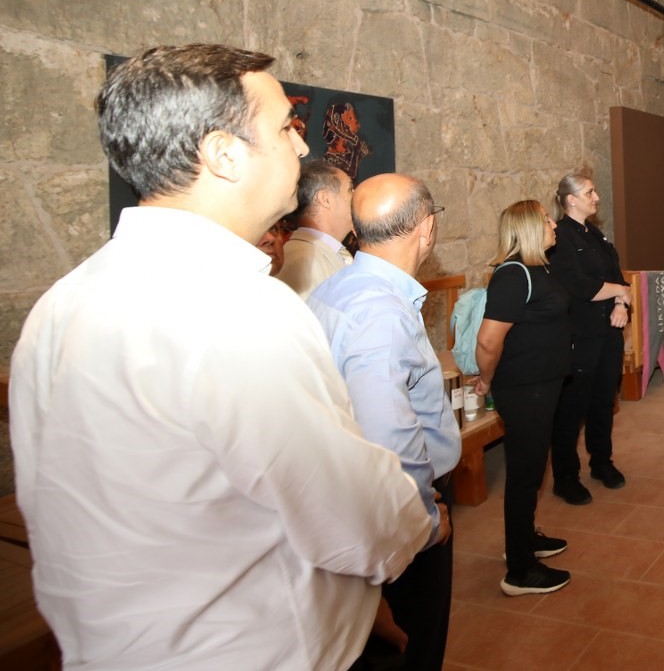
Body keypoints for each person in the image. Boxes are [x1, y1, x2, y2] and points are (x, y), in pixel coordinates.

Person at [8, 44, 430, 669]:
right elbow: (354, 516)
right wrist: (414, 529)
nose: (302, 147)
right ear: (223, 154)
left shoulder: (61, 303)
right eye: (285, 127)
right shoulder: (237, 308)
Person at [309, 174, 461, 670]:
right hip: (398, 518)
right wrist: (425, 520)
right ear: (427, 228)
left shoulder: (336, 288)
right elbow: (390, 440)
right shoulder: (381, 312)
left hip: (348, 499)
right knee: (415, 646)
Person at [473, 200, 572, 596]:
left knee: (532, 469)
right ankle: (520, 570)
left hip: (542, 385)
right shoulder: (513, 275)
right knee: (524, 474)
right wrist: (486, 380)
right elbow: (488, 340)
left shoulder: (537, 268)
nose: (554, 225)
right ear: (529, 227)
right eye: (547, 220)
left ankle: (525, 539)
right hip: (524, 389)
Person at [547, 169, 631, 505]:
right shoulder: (560, 237)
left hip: (609, 332)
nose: (597, 197)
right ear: (571, 199)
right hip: (580, 335)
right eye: (590, 193)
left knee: (603, 400)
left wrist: (622, 303)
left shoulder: (595, 234)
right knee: (573, 406)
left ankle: (601, 461)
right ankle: (565, 477)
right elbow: (582, 287)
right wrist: (619, 291)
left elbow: (617, 277)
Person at [281, 157, 356, 298]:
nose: (356, 196)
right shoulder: (300, 261)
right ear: (325, 199)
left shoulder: (329, 252)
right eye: (350, 189)